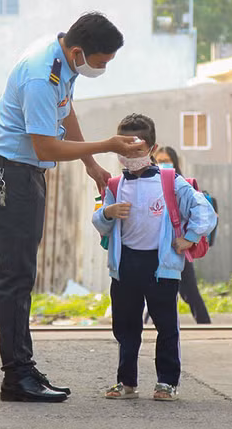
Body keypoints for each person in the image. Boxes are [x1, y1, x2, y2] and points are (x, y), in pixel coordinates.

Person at [0, 12, 147, 403]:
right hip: (10, 178)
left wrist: (91, 165)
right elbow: (46, 147)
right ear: (78, 51)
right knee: (15, 279)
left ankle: (23, 368)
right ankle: (15, 377)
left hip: (23, 175)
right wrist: (106, 145)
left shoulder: (60, 62)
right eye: (101, 62)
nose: (102, 69)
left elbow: (64, 109)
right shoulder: (42, 74)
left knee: (22, 277)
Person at [93, 114, 217, 401]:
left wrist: (189, 239)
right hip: (125, 267)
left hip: (161, 267)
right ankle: (126, 382)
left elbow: (204, 210)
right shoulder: (114, 185)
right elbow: (100, 223)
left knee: (166, 326)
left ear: (152, 147)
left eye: (138, 150)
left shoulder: (170, 181)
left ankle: (166, 382)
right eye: (124, 151)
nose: (131, 156)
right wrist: (107, 213)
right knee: (125, 327)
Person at [152, 146, 212, 324]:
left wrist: (190, 239)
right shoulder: (153, 184)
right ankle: (149, 326)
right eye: (159, 161)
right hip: (156, 245)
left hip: (177, 245)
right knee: (155, 289)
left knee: (189, 291)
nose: (163, 164)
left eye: (166, 161)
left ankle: (205, 325)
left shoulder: (182, 185)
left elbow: (204, 213)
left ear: (175, 163)